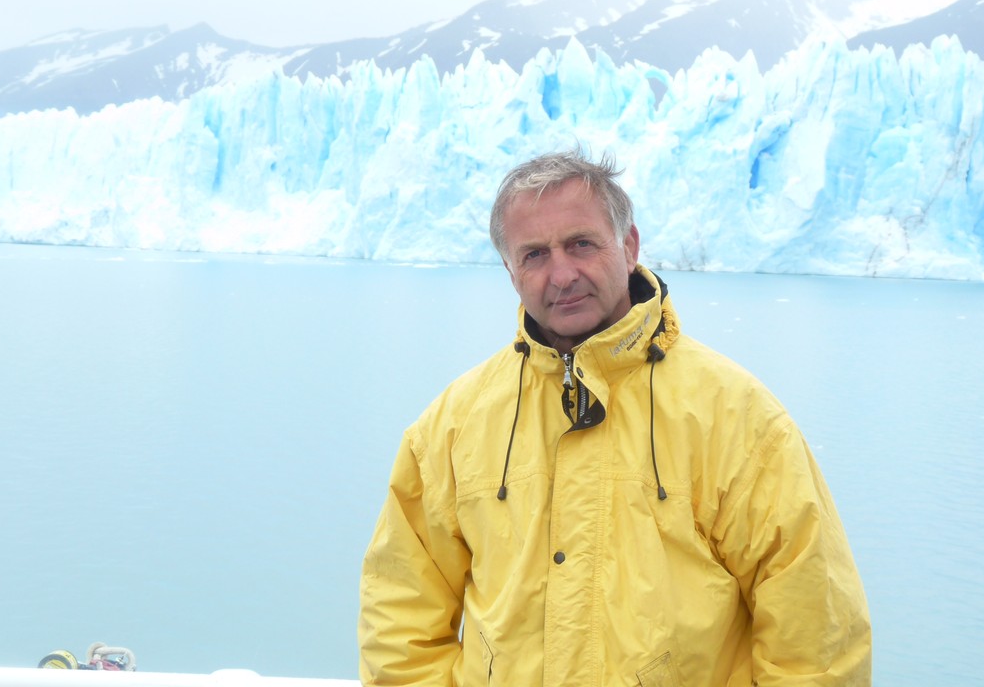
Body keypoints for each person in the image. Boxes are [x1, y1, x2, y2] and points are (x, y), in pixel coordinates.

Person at [358, 150, 871, 686]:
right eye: (534, 255)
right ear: (511, 272)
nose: (562, 274)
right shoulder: (453, 425)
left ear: (629, 247)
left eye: (581, 243)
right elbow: (401, 613)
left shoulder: (737, 417)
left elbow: (814, 633)